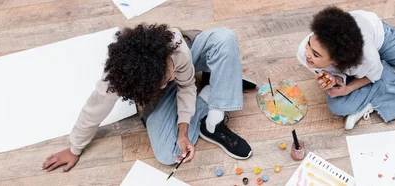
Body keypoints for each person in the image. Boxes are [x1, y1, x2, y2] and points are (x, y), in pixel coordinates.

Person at [42, 24, 256, 172]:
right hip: (160, 95)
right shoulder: (116, 80)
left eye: (167, 74)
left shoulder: (174, 49)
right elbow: (93, 111)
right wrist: (74, 148)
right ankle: (216, 86)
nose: (167, 80)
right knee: (166, 155)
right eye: (159, 82)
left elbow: (187, 85)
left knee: (223, 38)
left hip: (191, 58)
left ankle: (213, 120)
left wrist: (183, 131)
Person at [296, 7, 395, 129]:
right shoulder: (305, 52)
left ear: (336, 60)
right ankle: (394, 76)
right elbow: (336, 74)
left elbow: (374, 74)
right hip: (355, 58)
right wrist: (337, 81)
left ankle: (383, 88)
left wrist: (349, 89)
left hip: (381, 41)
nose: (307, 53)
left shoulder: (367, 56)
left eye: (315, 54)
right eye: (310, 44)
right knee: (338, 106)